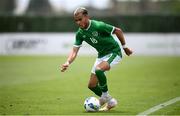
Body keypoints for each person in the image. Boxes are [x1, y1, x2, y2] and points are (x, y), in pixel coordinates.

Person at [61, 7, 133, 111]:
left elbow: (118, 31)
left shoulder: (98, 25)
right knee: (92, 85)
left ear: (86, 16)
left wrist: (125, 47)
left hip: (114, 52)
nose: (78, 22)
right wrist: (68, 62)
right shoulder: (80, 33)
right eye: (76, 20)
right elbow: (74, 51)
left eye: (80, 19)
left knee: (99, 69)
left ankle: (104, 96)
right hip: (101, 55)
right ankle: (111, 102)